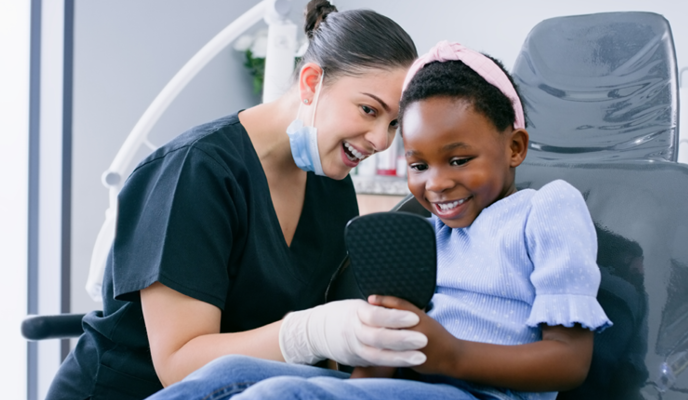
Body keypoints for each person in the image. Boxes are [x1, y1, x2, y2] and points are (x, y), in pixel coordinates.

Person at [144, 41, 613, 400]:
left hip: (480, 393)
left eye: (459, 159)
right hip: (411, 386)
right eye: (418, 165)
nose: (437, 184)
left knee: (282, 395)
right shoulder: (428, 233)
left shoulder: (545, 210)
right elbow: (389, 353)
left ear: (515, 147)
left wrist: (453, 355)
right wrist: (358, 381)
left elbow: (569, 361)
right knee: (225, 375)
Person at [45, 2, 426, 399]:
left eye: (394, 123)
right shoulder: (198, 171)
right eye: (369, 110)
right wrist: (311, 332)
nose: (382, 141)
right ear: (312, 83)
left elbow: (320, 356)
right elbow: (179, 364)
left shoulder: (331, 185)